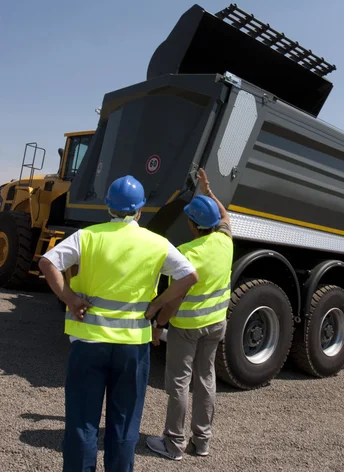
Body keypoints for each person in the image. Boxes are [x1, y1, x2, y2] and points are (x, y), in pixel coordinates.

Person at [39, 175, 198, 472]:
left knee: (82, 422)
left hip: (88, 343)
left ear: (108, 207)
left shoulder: (88, 236)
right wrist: (158, 304)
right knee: (124, 426)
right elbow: (189, 276)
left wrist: (70, 298)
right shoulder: (156, 243)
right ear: (139, 211)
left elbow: (48, 263)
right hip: (132, 348)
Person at [145, 168, 233, 461]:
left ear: (192, 224)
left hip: (187, 328)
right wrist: (208, 191)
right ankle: (202, 441)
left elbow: (174, 299)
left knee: (179, 382)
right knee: (206, 379)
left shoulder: (186, 253)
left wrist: (157, 320)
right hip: (216, 325)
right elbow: (225, 217)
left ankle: (173, 443)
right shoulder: (226, 241)